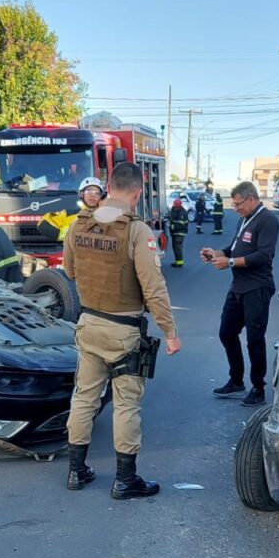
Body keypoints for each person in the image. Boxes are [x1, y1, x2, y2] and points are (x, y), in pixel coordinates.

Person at [62, 162, 181, 498]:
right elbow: (153, 287)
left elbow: (69, 271)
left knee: (84, 397)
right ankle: (125, 479)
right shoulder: (136, 230)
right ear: (138, 192)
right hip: (124, 329)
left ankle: (76, 471)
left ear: (107, 187)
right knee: (127, 404)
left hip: (88, 324)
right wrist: (170, 332)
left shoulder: (80, 223)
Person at [200, 181, 279, 407]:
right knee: (226, 333)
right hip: (238, 287)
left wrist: (231, 262)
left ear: (251, 199)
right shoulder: (244, 219)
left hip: (257, 287)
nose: (234, 208)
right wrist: (216, 254)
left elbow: (264, 255)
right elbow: (234, 248)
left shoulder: (268, 220)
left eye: (237, 204)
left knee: (255, 340)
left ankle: (258, 387)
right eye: (233, 204)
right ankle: (236, 381)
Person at [168, 197, 189, 267]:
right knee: (175, 248)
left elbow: (181, 225)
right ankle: (177, 261)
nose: (175, 207)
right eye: (175, 206)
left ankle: (179, 263)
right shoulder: (174, 209)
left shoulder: (183, 213)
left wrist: (173, 227)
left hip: (180, 233)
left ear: (179, 206)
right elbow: (172, 217)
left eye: (176, 206)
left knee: (177, 248)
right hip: (174, 233)